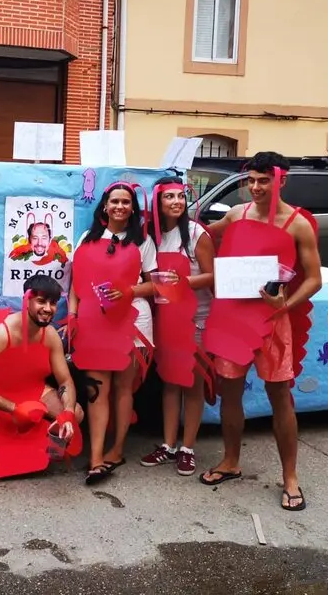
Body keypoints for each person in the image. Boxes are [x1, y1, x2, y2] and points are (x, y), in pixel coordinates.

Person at [200, 152, 322, 512]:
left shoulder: (298, 224)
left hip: (272, 322)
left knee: (280, 395)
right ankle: (230, 461)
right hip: (232, 319)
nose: (255, 187)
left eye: (263, 180)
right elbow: (199, 237)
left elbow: (314, 279)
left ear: (281, 180)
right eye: (251, 180)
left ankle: (291, 478)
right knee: (230, 392)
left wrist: (285, 305)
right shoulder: (236, 214)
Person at [67, 182, 156, 486]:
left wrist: (129, 291)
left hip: (133, 321)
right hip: (94, 322)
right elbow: (75, 285)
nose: (120, 206)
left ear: (133, 208)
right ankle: (95, 459)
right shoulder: (87, 239)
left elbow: (155, 284)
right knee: (97, 390)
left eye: (126, 202)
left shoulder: (143, 241)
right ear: (104, 206)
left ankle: (116, 450)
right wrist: (73, 316)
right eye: (114, 201)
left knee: (123, 387)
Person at [0, 274, 83, 482]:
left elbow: (65, 381)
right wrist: (15, 408)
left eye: (53, 303)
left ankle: (44, 447)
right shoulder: (0, 333)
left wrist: (68, 414)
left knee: (76, 412)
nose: (48, 308)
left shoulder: (50, 335)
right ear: (26, 300)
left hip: (32, 390)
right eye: (41, 301)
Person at [140, 177, 215, 477]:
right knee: (170, 381)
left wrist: (183, 281)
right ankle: (169, 445)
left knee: (192, 383)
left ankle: (188, 448)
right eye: (169, 197)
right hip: (165, 318)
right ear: (157, 203)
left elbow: (212, 275)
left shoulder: (197, 234)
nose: (176, 202)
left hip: (195, 319)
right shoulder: (151, 236)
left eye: (181, 196)